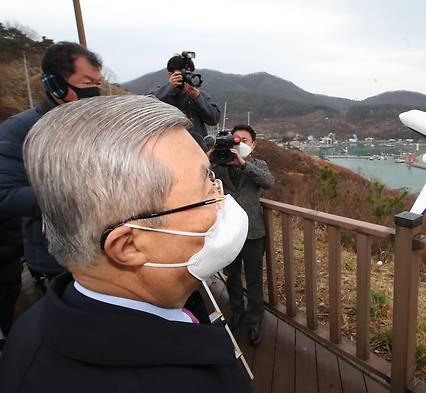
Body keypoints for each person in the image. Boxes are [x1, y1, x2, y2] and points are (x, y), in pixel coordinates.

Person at [0, 95, 252, 393]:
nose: (221, 200)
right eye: (206, 190)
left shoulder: (34, 325)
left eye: (212, 177)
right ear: (128, 246)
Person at [0, 42, 103, 284]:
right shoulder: (20, 130)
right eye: (87, 83)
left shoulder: (100, 126)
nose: (95, 92)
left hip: (106, 251)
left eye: (98, 84)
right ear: (55, 85)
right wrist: (80, 198)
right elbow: (5, 194)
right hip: (56, 261)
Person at [212, 125, 274, 346]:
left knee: (255, 279)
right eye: (236, 141)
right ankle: (237, 312)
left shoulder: (258, 165)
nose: (240, 145)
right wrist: (209, 155)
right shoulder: (218, 165)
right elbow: (198, 178)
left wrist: (244, 164)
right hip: (228, 232)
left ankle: (255, 321)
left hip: (253, 232)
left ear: (253, 144)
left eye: (245, 140)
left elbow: (268, 182)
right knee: (232, 276)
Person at [150, 53, 221, 149]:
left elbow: (214, 119)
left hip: (197, 149)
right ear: (171, 74)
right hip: (169, 149)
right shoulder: (162, 92)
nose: (187, 76)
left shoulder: (199, 95)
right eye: (183, 74)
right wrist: (169, 87)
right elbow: (147, 104)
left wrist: (198, 98)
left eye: (190, 73)